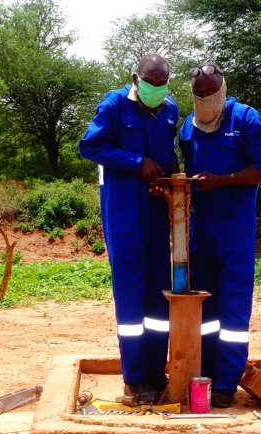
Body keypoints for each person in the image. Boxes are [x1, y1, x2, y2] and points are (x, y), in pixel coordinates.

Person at [78, 54, 179, 406]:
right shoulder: (115, 104)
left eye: (162, 82)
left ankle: (156, 371)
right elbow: (90, 146)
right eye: (150, 82)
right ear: (136, 78)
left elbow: (169, 155)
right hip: (123, 211)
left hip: (154, 210)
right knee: (132, 298)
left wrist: (171, 177)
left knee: (158, 295)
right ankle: (136, 379)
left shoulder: (170, 109)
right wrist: (137, 163)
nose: (156, 88)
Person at [179, 63, 261, 409]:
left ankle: (226, 382)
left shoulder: (246, 118)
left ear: (222, 87)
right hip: (200, 231)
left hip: (235, 232)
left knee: (233, 310)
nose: (205, 97)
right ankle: (202, 374)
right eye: (199, 92)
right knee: (204, 308)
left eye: (211, 90)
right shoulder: (188, 127)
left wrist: (223, 179)